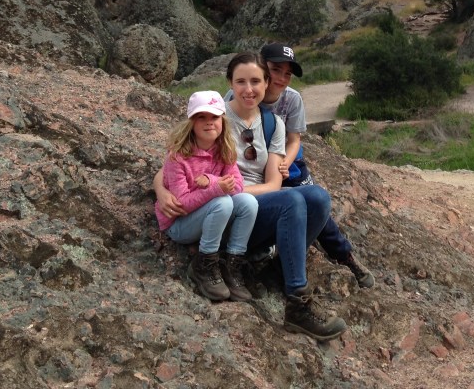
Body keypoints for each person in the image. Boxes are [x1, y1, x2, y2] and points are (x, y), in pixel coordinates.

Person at [155, 53, 347, 341]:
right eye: (240, 81)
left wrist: (233, 190)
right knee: (291, 200)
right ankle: (298, 304)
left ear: (266, 83)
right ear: (230, 84)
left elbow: (272, 184)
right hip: (220, 208)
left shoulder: (273, 125)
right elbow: (174, 161)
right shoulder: (216, 117)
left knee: (318, 197)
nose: (249, 89)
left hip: (250, 203)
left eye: (256, 81)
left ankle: (282, 266)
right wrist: (161, 190)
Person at [258, 42, 375, 289]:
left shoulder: (292, 99)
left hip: (289, 165)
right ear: (262, 66)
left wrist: (285, 164)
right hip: (258, 165)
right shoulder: (246, 93)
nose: (281, 77)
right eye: (275, 69)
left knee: (319, 208)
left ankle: (345, 256)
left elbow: (294, 139)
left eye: (287, 73)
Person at [155, 91, 258, 302]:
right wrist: (216, 188)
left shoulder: (225, 150)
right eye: (202, 117)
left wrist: (211, 181)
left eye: (215, 117)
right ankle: (204, 264)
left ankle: (232, 264)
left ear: (223, 120)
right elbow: (181, 203)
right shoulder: (178, 156)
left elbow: (237, 186)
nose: (209, 122)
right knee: (221, 202)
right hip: (179, 224)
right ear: (191, 122)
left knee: (248, 202)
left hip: (208, 214)